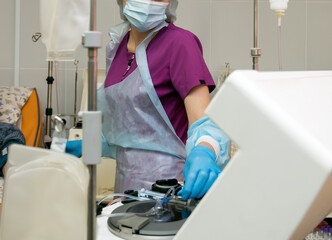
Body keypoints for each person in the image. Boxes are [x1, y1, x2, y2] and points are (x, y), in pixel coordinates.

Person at [67, 0, 230, 201]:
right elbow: (129, 132)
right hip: (124, 195)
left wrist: (204, 152)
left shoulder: (180, 43)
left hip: (171, 194)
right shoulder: (117, 47)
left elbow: (206, 124)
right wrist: (92, 144)